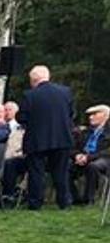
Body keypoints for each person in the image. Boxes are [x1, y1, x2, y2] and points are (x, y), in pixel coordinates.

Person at [17, 64, 75, 210]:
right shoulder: (65, 92)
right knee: (61, 172)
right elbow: (71, 113)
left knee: (36, 172)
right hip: (62, 138)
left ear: (33, 80)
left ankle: (36, 202)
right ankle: (64, 201)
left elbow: (22, 117)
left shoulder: (29, 95)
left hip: (37, 139)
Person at [72, 104, 110, 205]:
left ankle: (88, 199)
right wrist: (77, 155)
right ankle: (74, 198)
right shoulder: (83, 132)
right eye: (90, 115)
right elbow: (73, 147)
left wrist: (89, 157)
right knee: (63, 167)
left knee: (92, 166)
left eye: (95, 114)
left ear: (105, 116)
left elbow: (107, 151)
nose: (90, 117)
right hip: (82, 158)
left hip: (103, 159)